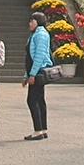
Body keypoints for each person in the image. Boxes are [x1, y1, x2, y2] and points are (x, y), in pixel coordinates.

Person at [23, 12, 53, 141]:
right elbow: (29, 57)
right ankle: (42, 129)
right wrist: (26, 75)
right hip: (36, 71)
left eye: (32, 21)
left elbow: (39, 56)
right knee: (39, 100)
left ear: (38, 21)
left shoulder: (40, 34)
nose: (30, 24)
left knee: (32, 100)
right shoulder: (36, 34)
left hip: (39, 71)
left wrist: (32, 74)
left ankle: (38, 130)